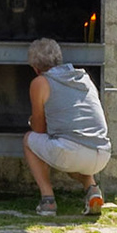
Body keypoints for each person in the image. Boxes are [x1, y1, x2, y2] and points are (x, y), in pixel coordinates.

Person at [22, 36, 110, 216]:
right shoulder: (84, 77)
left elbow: (38, 129)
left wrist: (33, 121)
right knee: (74, 159)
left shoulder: (40, 82)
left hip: (70, 151)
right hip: (102, 152)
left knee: (28, 140)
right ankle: (92, 189)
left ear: (35, 67)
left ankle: (48, 200)